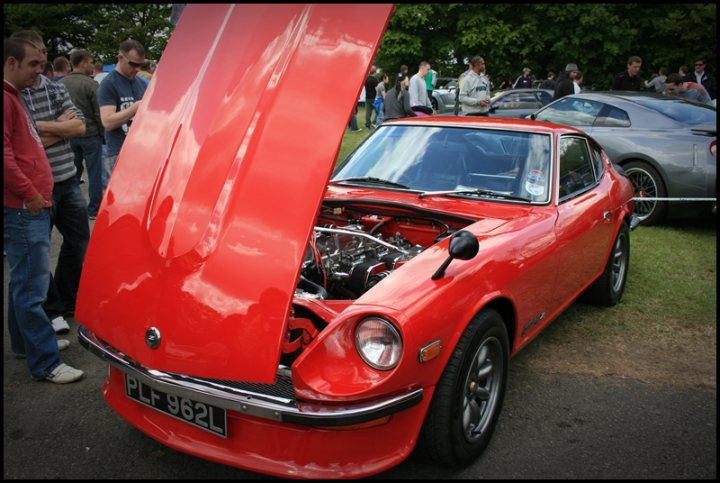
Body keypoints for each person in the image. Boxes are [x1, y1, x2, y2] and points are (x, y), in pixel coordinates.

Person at [4, 35, 84, 383]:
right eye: (33, 64)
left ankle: (27, 344)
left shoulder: (14, 96)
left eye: (43, 62)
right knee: (32, 288)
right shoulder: (7, 99)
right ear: (11, 62)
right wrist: (31, 193)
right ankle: (46, 362)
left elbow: (71, 127)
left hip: (29, 202)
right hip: (25, 206)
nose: (41, 71)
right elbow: (6, 157)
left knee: (23, 282)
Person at [16, 31, 90, 330]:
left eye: (44, 51)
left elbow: (80, 126)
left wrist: (38, 129)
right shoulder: (14, 94)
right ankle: (53, 309)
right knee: (38, 252)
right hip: (35, 187)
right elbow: (20, 145)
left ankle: (66, 298)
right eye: (36, 54)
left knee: (79, 242)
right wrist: (59, 126)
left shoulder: (54, 87)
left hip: (68, 179)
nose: (42, 60)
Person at [61, 49, 108, 220]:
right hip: (90, 134)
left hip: (68, 135)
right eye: (91, 62)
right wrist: (103, 134)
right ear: (83, 62)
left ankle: (72, 209)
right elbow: (99, 112)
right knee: (95, 173)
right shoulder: (91, 84)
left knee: (72, 174)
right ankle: (93, 210)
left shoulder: (61, 84)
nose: (92, 65)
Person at [97, 39, 148, 173]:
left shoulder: (141, 83)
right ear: (120, 58)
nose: (137, 69)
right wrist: (134, 108)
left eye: (141, 65)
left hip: (141, 149)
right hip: (119, 152)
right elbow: (107, 122)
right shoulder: (108, 84)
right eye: (133, 64)